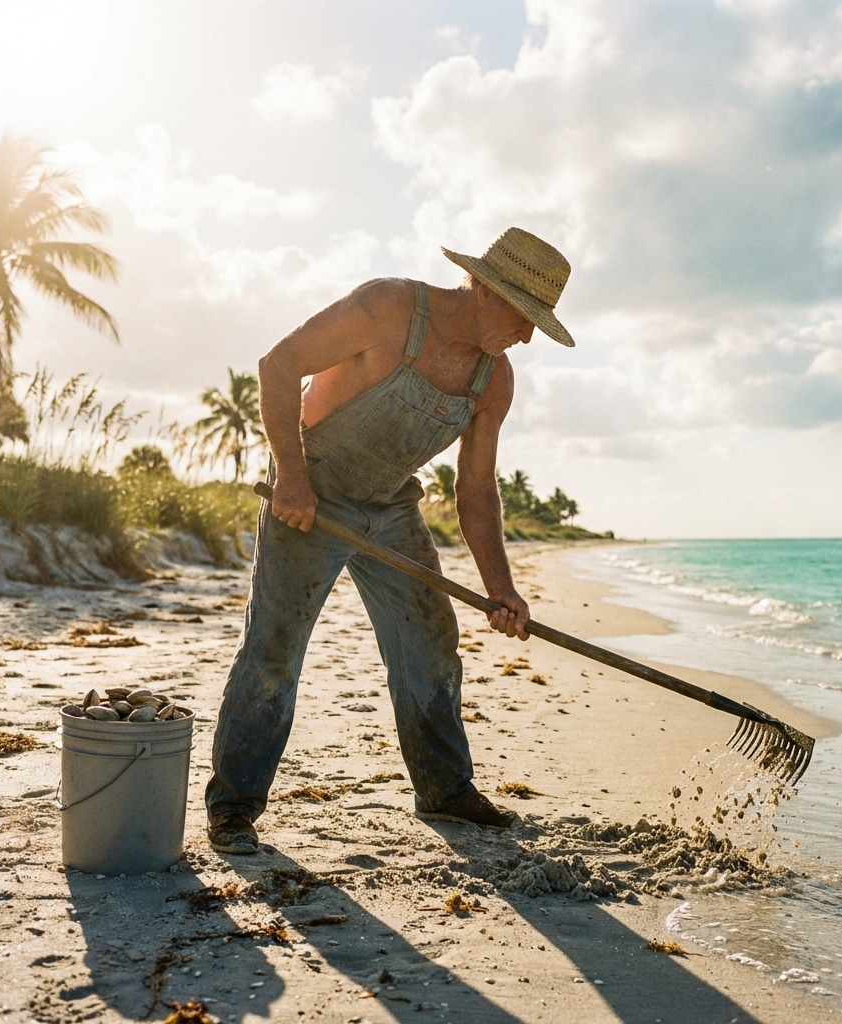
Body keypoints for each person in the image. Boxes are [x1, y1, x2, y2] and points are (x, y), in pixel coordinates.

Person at [204, 227, 576, 854]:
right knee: (274, 648)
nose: (529, 335)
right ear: (484, 290)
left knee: (430, 639)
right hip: (312, 494)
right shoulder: (390, 308)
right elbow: (278, 366)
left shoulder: (494, 380)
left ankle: (446, 790)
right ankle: (235, 807)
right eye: (525, 316)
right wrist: (291, 477)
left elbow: (477, 488)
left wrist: (501, 589)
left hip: (391, 504)